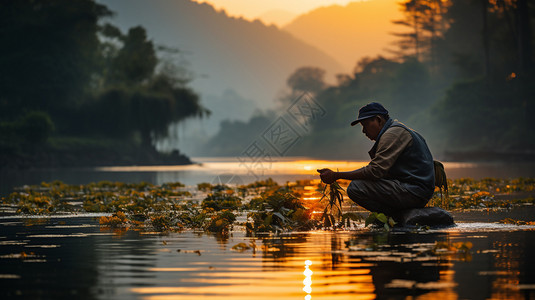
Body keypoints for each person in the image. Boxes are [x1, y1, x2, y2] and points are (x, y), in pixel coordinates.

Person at [317, 102, 435, 218]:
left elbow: (375, 171)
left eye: (365, 125)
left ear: (378, 120)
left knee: (355, 188)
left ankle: (393, 216)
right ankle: (396, 215)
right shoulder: (398, 130)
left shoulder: (392, 134)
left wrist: (336, 175)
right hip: (417, 190)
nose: (363, 131)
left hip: (414, 192)